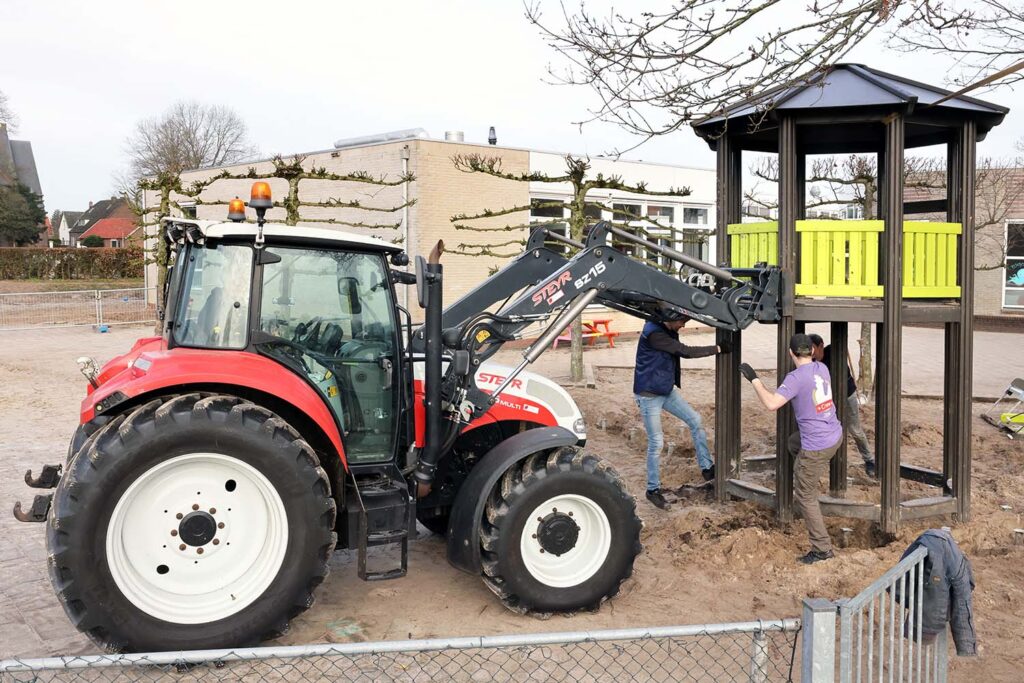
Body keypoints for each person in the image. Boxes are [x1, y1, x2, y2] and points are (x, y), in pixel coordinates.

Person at [739, 334, 843, 564]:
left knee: (805, 495)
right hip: (835, 435)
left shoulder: (795, 378)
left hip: (817, 445)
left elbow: (771, 404)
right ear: (813, 352)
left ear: (791, 353)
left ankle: (822, 549)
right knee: (793, 443)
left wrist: (754, 379)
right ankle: (808, 473)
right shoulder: (821, 368)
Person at [634, 311, 728, 510]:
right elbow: (685, 351)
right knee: (657, 442)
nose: (683, 326)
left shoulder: (665, 325)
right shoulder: (654, 333)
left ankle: (707, 468)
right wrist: (718, 348)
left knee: (696, 420)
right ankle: (653, 490)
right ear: (669, 318)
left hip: (666, 390)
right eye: (682, 322)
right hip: (649, 395)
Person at [808, 333, 876, 477]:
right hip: (828, 399)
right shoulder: (811, 363)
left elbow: (840, 340)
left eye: (813, 348)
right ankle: (825, 461)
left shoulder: (833, 352)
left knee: (855, 430)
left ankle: (869, 460)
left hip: (847, 395)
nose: (811, 352)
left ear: (820, 346)